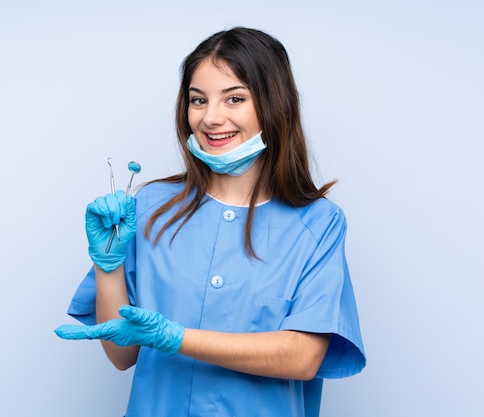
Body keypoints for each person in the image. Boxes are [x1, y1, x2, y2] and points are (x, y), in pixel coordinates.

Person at [55, 27, 366, 417]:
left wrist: (174, 337)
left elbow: (302, 357)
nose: (211, 118)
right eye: (197, 100)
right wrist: (108, 267)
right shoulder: (151, 206)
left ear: (274, 105)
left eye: (234, 98)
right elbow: (122, 354)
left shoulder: (318, 224)